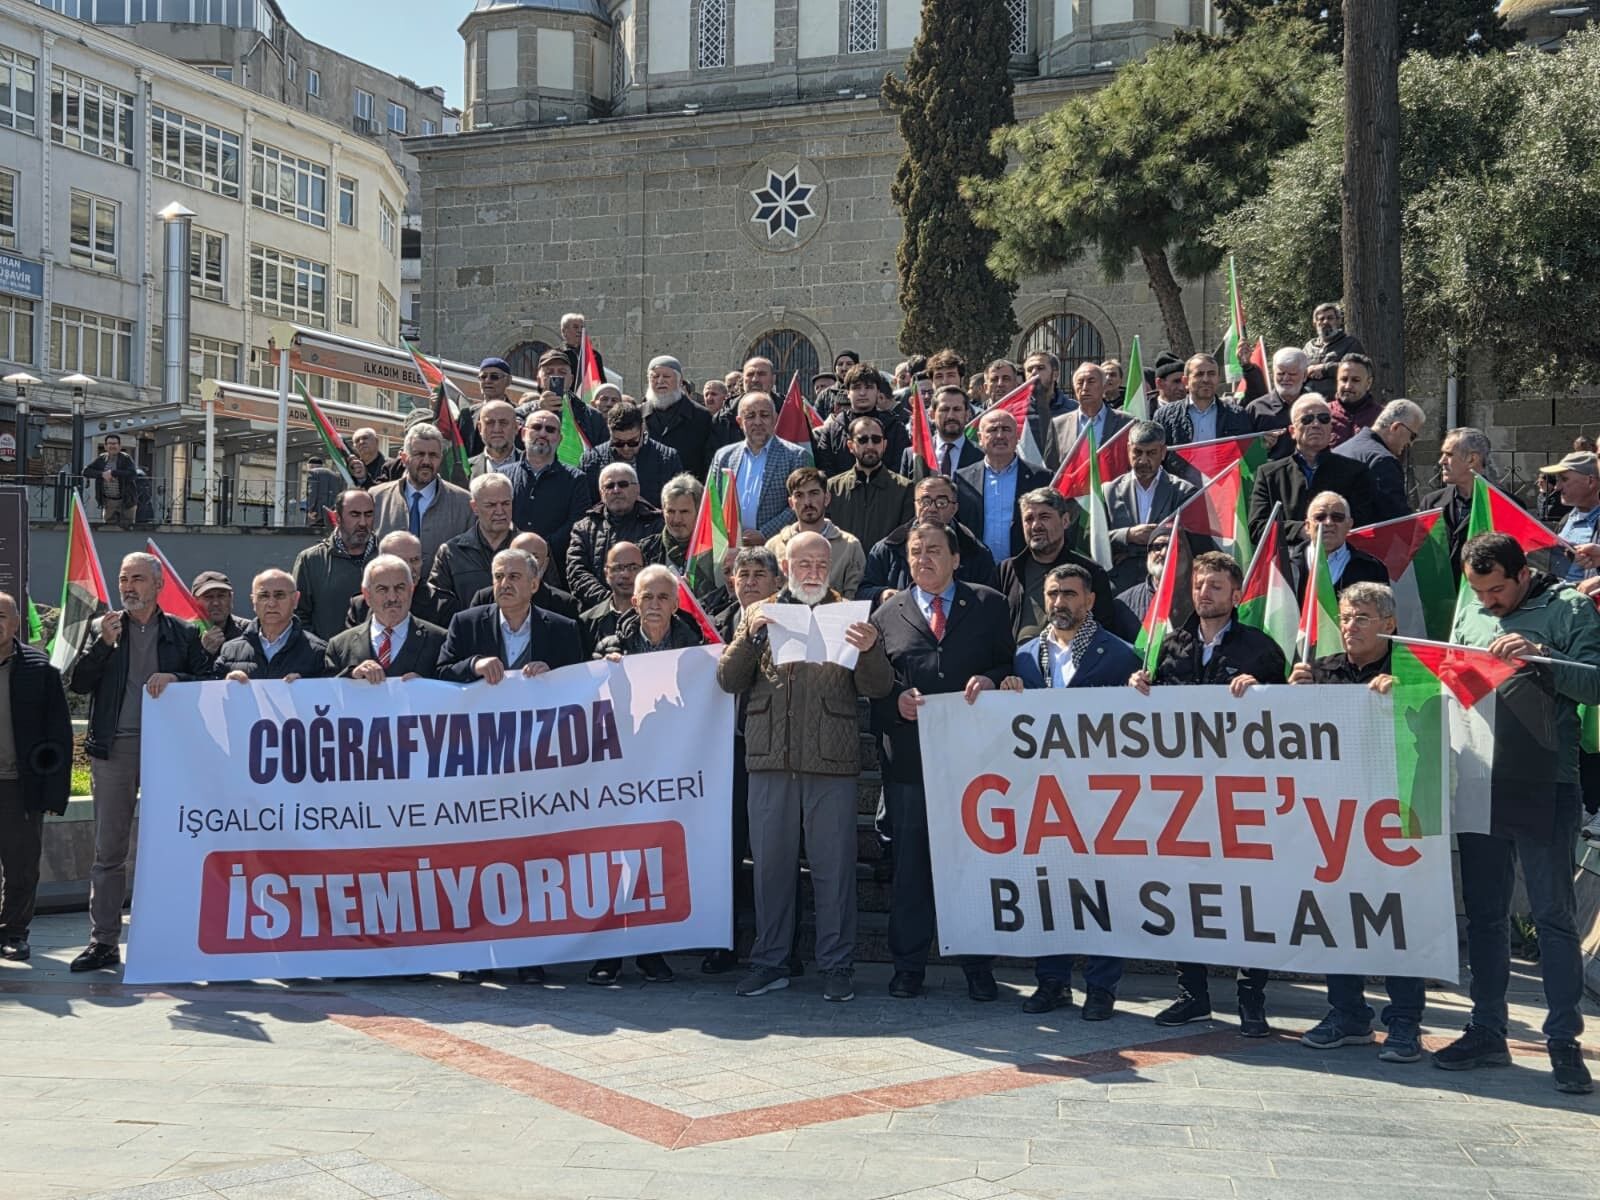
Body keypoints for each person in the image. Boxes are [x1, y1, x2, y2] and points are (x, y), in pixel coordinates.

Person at [1444, 533, 1600, 1093]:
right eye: (1478, 592)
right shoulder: (1471, 611)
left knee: (1553, 915)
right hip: (1479, 775)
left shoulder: (1569, 608)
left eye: (1497, 591)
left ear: (1523, 574)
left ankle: (1564, 1041)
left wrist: (1542, 658)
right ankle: (1487, 1028)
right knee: (1485, 913)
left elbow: (1596, 684)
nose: (1488, 602)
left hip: (1545, 779)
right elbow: (1452, 677)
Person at [717, 532, 891, 1002]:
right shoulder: (759, 611)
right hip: (770, 756)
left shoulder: (852, 613)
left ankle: (837, 965)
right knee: (770, 868)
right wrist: (751, 637)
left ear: (831, 568)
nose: (812, 572)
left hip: (830, 758)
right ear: (786, 567)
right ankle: (770, 961)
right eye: (803, 564)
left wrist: (871, 649)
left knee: (834, 870)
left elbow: (876, 687)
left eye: (820, 564)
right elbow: (728, 679)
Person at [1131, 551, 1287, 1036]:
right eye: (1200, 584)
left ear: (1236, 595)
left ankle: (1251, 998)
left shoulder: (1261, 649)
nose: (1205, 593)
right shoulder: (1170, 645)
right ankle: (1192, 994)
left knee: (1249, 899)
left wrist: (1263, 689)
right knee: (1183, 894)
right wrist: (1140, 685)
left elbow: (1291, 716)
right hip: (1182, 796)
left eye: (1216, 586)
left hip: (1242, 794)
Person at [871, 522, 1015, 1000]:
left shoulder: (989, 604)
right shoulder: (887, 613)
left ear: (956, 558)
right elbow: (873, 685)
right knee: (910, 868)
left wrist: (992, 680)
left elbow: (1009, 665)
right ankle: (908, 967)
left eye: (934, 550)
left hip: (976, 764)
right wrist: (895, 702)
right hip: (911, 764)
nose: (923, 558)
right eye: (915, 551)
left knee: (971, 867)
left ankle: (978, 967)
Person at [1282, 582, 1428, 1056]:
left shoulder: (1414, 669)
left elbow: (1442, 721)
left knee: (1399, 918)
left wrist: (1411, 693)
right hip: (1334, 815)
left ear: (1389, 624)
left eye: (1362, 618)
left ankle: (1404, 1020)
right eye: (1345, 618)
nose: (1350, 626)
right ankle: (1347, 1013)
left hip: (1396, 814)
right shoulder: (1319, 672)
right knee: (1336, 914)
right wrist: (1290, 698)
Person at [1002, 564, 1140, 1020]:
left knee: (1104, 892)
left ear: (1090, 600)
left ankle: (1101, 986)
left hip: (1101, 796)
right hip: (1045, 797)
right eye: (1052, 593)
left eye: (1069, 594)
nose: (1059, 602)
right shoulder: (1025, 657)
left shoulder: (1121, 656)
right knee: (1050, 890)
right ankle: (1052, 982)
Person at [68, 553, 209, 971]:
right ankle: (103, 941)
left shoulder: (182, 633)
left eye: (138, 579)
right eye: (123, 578)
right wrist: (102, 645)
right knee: (108, 850)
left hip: (168, 753)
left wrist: (177, 679)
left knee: (171, 845)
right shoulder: (104, 628)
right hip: (115, 749)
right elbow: (78, 683)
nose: (128, 586)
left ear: (158, 585)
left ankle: (173, 938)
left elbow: (208, 679)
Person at [0, 592, 72, 964]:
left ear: (16, 623)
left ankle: (14, 932)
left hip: (19, 785)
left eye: (2, 616)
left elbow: (58, 734)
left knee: (22, 866)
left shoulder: (39, 669)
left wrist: (53, 792)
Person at [996, 489, 1131, 642]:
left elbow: (1103, 630)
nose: (1035, 526)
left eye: (1044, 517)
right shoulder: (1008, 570)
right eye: (1029, 519)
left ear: (1065, 521)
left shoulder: (1091, 572)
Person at [1247, 394, 1376, 547]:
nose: (1316, 424)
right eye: (1307, 419)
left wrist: (1329, 529)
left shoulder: (1356, 472)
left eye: (1323, 419)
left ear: (1331, 428)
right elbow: (1257, 528)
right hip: (1288, 558)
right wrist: (1302, 530)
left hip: (1339, 557)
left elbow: (1366, 523)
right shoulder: (1270, 474)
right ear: (1292, 431)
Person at [861, 475, 995, 605]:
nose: (932, 509)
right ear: (915, 505)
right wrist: (881, 595)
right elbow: (863, 592)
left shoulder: (976, 551)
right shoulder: (888, 548)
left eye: (941, 503)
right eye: (925, 502)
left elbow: (989, 600)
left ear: (954, 508)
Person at [1104, 421, 1198, 594]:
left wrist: (1152, 540)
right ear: (1128, 449)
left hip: (1168, 583)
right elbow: (1092, 540)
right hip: (1120, 586)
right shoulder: (1108, 491)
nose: (1143, 460)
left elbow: (1192, 541)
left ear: (1163, 452)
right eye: (1137, 452)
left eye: (1151, 453)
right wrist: (1128, 535)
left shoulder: (1183, 492)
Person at [710, 392, 813, 543]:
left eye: (764, 415)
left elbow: (800, 503)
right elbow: (713, 501)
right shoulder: (724, 456)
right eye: (750, 416)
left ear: (775, 418)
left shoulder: (796, 456)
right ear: (740, 421)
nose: (758, 422)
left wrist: (764, 533)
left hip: (776, 545)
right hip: (731, 546)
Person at [370, 423, 475, 571]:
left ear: (441, 458)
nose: (426, 461)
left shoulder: (463, 504)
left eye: (433, 455)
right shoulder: (377, 498)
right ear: (404, 458)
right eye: (419, 454)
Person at [325, 554, 448, 679]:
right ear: (367, 595)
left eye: (400, 588)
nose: (392, 597)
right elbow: (326, 688)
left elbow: (452, 686)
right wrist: (351, 676)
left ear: (411, 590)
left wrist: (428, 686)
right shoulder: (340, 646)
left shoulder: (440, 641)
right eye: (382, 589)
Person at [956, 408, 1052, 566]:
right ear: (980, 438)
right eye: (992, 430)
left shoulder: (1041, 478)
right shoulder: (962, 479)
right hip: (976, 569)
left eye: (1006, 429)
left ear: (1017, 436)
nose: (1000, 435)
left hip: (1025, 567)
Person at [565, 463, 665, 609]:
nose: (616, 490)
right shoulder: (584, 528)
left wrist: (635, 602)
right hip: (596, 613)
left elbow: (659, 571)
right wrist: (610, 603)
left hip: (646, 610)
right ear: (601, 493)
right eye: (609, 486)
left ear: (637, 489)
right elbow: (577, 572)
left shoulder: (658, 526)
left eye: (623, 484)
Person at [506, 407, 590, 571]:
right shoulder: (503, 475)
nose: (543, 434)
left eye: (550, 430)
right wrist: (518, 545)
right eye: (536, 427)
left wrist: (542, 548)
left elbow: (577, 522)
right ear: (523, 434)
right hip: (510, 562)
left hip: (556, 566)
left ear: (559, 439)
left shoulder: (576, 479)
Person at [765, 468, 865, 599]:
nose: (807, 502)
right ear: (791, 503)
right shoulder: (774, 547)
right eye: (799, 495)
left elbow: (854, 598)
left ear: (827, 498)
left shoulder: (850, 546)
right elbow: (766, 597)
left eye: (814, 493)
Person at [429, 472, 516, 621]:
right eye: (491, 505)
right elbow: (439, 604)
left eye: (506, 503)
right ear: (474, 507)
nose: (500, 511)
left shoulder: (531, 549)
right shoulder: (451, 553)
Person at [293, 488, 377, 641]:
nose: (363, 522)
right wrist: (321, 650)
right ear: (337, 518)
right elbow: (298, 616)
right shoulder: (311, 560)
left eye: (368, 514)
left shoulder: (387, 558)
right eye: (355, 515)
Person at [213, 569, 328, 681]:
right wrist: (226, 684)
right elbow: (212, 689)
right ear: (253, 601)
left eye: (280, 595)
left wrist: (307, 687)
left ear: (295, 599)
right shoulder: (230, 651)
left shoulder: (318, 653)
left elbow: (329, 692)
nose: (272, 603)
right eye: (264, 596)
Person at [827, 415, 916, 556]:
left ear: (884, 445)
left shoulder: (904, 489)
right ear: (850, 446)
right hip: (842, 567)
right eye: (862, 440)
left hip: (885, 568)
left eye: (876, 440)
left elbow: (906, 540)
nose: (870, 446)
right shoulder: (832, 488)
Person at [1333, 399, 1425, 522]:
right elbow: (1397, 519)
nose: (1410, 443)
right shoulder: (1383, 461)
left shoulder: (1339, 450)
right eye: (1412, 436)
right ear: (1396, 427)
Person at [1152, 355, 1255, 465]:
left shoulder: (1237, 415)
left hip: (1226, 475)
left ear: (1218, 379)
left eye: (1211, 374)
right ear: (1185, 381)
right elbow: (1156, 457)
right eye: (1199, 374)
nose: (1206, 380)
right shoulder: (1164, 416)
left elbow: (1248, 457)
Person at [581, 400, 683, 509]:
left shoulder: (667, 459)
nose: (626, 448)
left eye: (632, 442)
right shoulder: (591, 460)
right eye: (618, 442)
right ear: (610, 432)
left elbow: (677, 503)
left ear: (642, 429)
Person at [1421, 427, 1494, 581]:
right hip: (1441, 591)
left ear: (1472, 459)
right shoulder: (1431, 502)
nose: (1441, 461)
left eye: (1449, 454)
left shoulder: (1504, 503)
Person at [815, 365, 908, 478]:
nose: (862, 393)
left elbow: (900, 468)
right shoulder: (832, 430)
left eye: (869, 387)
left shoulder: (894, 427)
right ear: (848, 392)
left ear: (878, 391)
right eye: (856, 387)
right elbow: (826, 470)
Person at [1293, 491, 1389, 600]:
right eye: (1320, 517)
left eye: (1337, 517)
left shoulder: (1372, 569)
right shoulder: (1285, 565)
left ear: (1349, 524)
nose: (1328, 522)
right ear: (1307, 526)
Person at [346, 530, 450, 630]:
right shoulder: (361, 606)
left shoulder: (443, 606)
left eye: (415, 560)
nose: (409, 568)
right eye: (400, 561)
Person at [465, 531, 581, 621]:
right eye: (518, 555)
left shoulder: (564, 604)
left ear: (545, 564)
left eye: (534, 557)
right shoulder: (484, 599)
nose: (526, 563)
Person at [639, 355, 713, 480]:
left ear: (679, 381)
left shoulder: (701, 416)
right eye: (655, 376)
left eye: (666, 376)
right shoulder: (638, 415)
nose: (660, 381)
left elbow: (708, 461)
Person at [1047, 362, 1131, 472]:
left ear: (1104, 386)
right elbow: (1051, 469)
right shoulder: (1058, 425)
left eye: (1091, 381)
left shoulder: (1126, 423)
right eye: (1080, 382)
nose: (1085, 387)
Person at [1538, 452, 1600, 585]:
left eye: (1564, 479)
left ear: (1590, 481)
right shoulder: (1567, 519)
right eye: (1558, 480)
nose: (1557, 487)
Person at [1117, 531, 1194, 629]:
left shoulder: (1203, 598)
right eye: (1158, 547)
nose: (1165, 553)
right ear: (1148, 554)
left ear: (1188, 554)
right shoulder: (1123, 604)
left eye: (1175, 546)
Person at [902, 386, 981, 481]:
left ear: (967, 414)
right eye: (944, 409)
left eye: (957, 409)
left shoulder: (982, 455)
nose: (951, 416)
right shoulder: (913, 454)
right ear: (932, 414)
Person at [579, 541, 645, 653]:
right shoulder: (586, 622)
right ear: (606, 574)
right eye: (618, 568)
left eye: (633, 568)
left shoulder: (659, 616)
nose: (626, 575)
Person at [1246, 348, 1312, 461]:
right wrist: (1260, 447)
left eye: (1292, 374)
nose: (1285, 378)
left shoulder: (1317, 406)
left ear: (1305, 375)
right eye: (1281, 373)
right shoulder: (1256, 409)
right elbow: (1244, 456)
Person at [641, 473, 703, 583]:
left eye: (684, 512)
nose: (677, 519)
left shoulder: (715, 553)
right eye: (671, 511)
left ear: (699, 512)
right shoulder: (645, 551)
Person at [1303, 302, 1364, 399]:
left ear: (1338, 321)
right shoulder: (1309, 346)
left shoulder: (1350, 343)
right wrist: (1307, 370)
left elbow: (1356, 368)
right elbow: (1297, 368)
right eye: (1321, 319)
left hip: (1337, 400)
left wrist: (1325, 369)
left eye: (1330, 318)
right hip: (1308, 399)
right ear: (1315, 323)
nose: (1325, 322)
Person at [1327, 354, 1381, 447]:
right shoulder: (1323, 414)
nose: (1348, 386)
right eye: (1344, 379)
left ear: (1368, 383)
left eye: (1356, 380)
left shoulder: (1381, 418)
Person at [83, 434, 138, 524]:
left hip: (126, 501)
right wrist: (102, 474)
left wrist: (113, 473)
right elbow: (86, 471)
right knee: (108, 527)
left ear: (120, 446)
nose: (112, 446)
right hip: (109, 501)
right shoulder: (102, 458)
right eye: (110, 443)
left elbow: (133, 474)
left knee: (127, 527)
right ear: (105, 446)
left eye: (115, 443)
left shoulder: (126, 458)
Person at [192, 571, 247, 657]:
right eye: (208, 597)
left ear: (231, 598)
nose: (216, 603)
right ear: (195, 601)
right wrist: (204, 653)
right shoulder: (182, 634)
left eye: (221, 596)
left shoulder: (249, 631)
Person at [468, 400, 522, 479]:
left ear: (516, 427)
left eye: (503, 423)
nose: (497, 429)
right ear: (480, 428)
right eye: (490, 423)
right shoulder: (466, 469)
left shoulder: (533, 465)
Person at [558, 311, 601, 380]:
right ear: (564, 331)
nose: (580, 331)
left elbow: (601, 382)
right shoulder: (557, 355)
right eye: (575, 327)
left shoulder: (594, 355)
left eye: (582, 328)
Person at [303, 456, 343, 528]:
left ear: (310, 465)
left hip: (317, 513)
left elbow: (312, 493)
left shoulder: (312, 472)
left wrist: (310, 509)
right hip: (332, 512)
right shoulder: (335, 475)